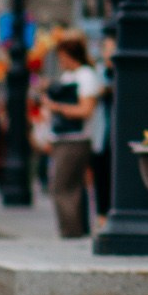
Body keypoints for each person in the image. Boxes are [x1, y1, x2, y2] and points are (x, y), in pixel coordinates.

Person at [43, 30, 103, 239]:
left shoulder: (86, 76)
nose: (60, 61)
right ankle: (77, 228)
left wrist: (56, 107)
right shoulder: (69, 76)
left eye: (62, 57)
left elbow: (86, 110)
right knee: (73, 186)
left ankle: (71, 230)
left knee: (61, 186)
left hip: (76, 138)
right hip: (63, 137)